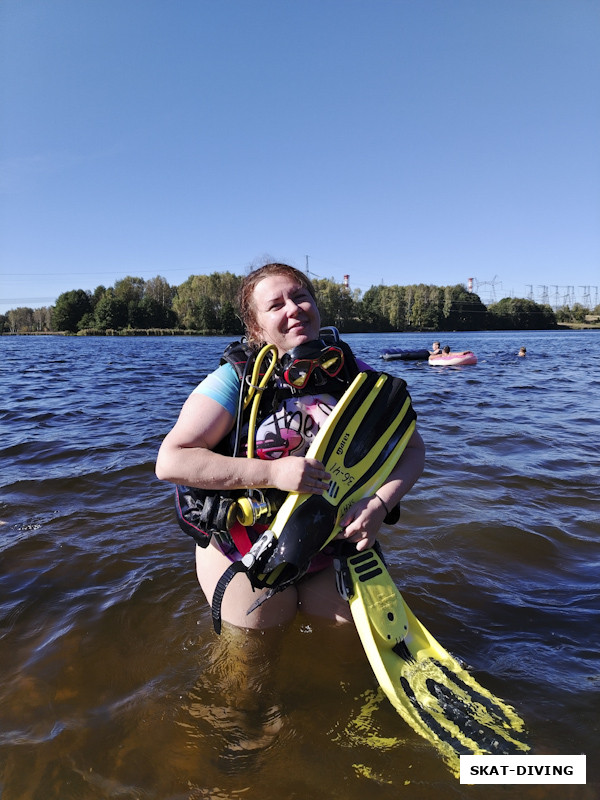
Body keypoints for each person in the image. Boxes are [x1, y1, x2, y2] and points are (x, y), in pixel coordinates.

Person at [156, 263, 425, 631]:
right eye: (276, 305)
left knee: (346, 643)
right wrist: (273, 472)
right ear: (256, 327)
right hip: (244, 547)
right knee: (252, 657)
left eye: (300, 297)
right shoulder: (235, 380)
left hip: (330, 544)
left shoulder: (355, 376)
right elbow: (171, 460)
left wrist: (379, 505)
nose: (293, 309)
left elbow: (411, 451)